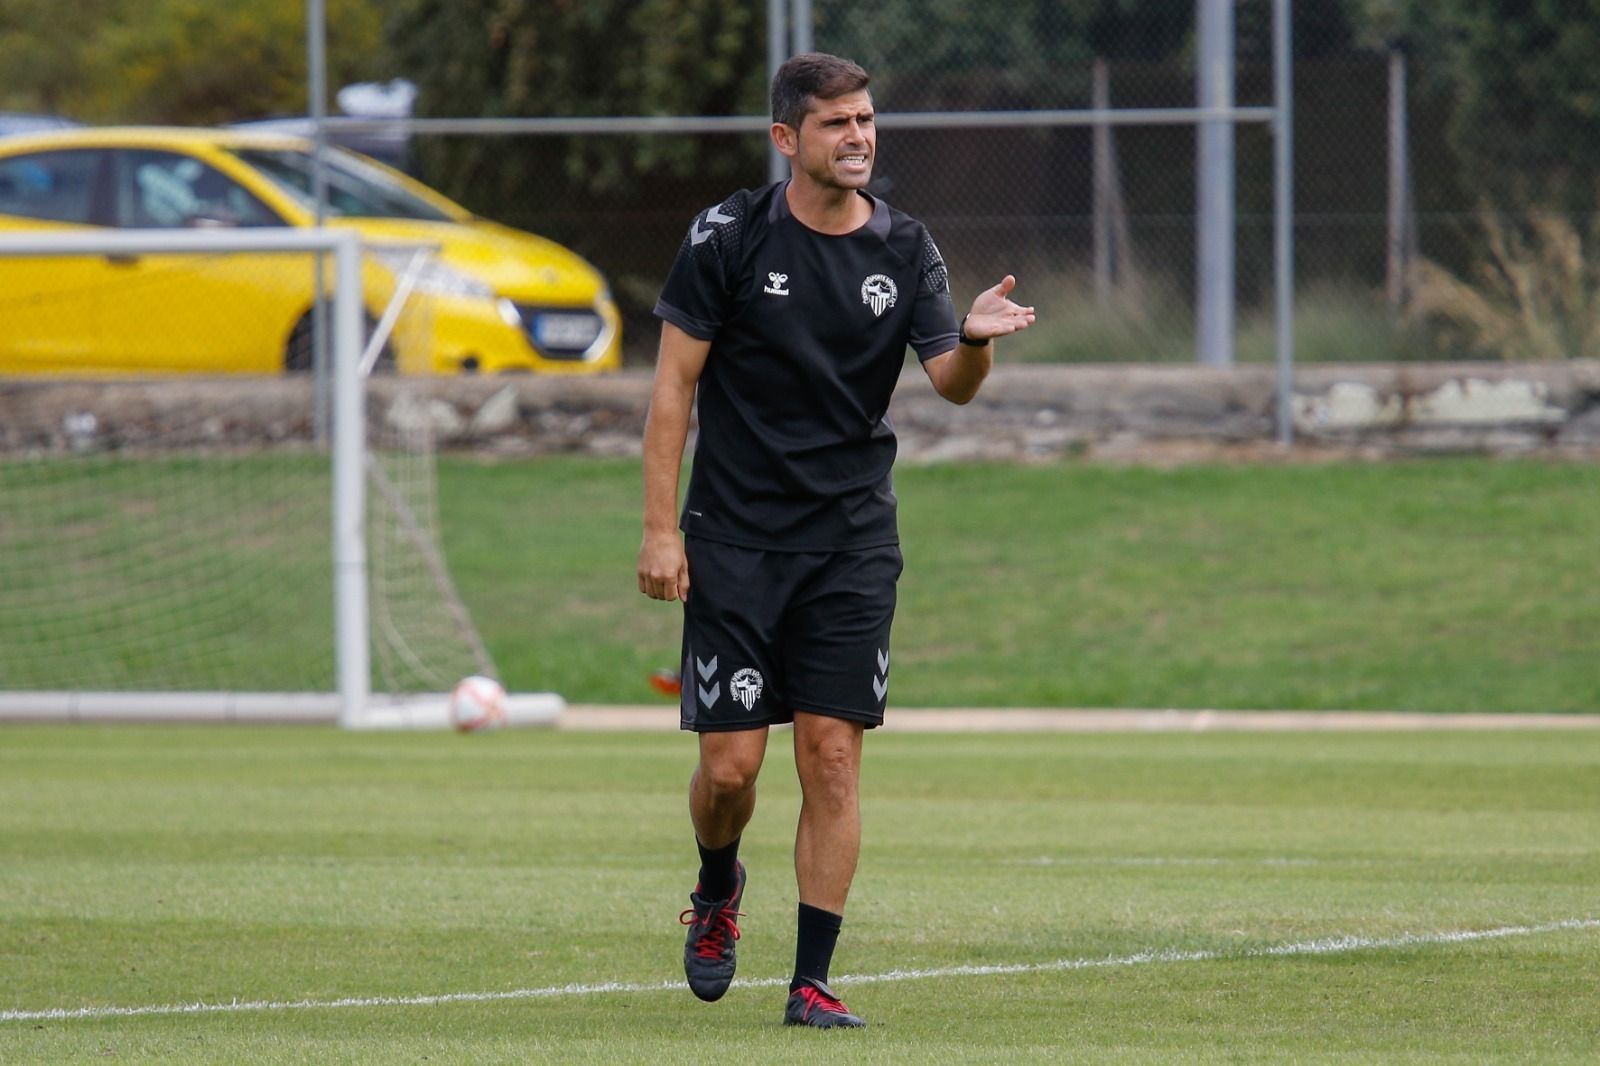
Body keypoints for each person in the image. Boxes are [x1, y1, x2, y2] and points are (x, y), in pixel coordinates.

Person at [637, 51, 1034, 1029]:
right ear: (787, 139)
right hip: (731, 539)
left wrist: (974, 338)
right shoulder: (728, 235)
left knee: (832, 758)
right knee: (730, 770)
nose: (857, 136)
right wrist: (658, 529)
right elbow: (672, 388)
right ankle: (718, 886)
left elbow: (948, 381)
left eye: (865, 120)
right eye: (835, 123)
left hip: (850, 543)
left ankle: (811, 981)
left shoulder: (906, 249)